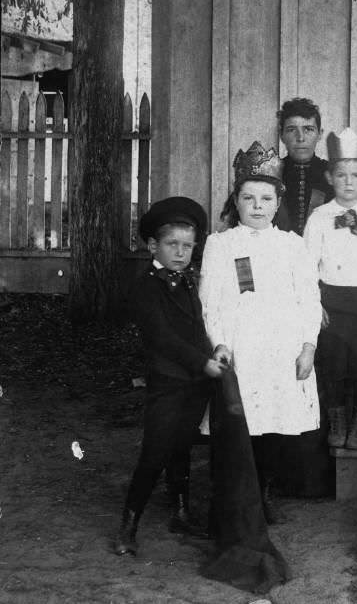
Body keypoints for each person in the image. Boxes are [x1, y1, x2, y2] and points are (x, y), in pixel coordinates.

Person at [199, 141, 323, 523]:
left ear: (277, 201)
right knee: (242, 422)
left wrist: (307, 346)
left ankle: (263, 492)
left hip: (281, 348)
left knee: (274, 422)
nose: (257, 206)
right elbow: (210, 301)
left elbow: (308, 298)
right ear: (235, 200)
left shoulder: (292, 245)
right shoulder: (220, 245)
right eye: (248, 198)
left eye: (265, 198)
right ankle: (239, 496)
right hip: (241, 346)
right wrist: (219, 342)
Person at [115, 197, 225, 556]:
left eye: (187, 246)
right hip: (168, 379)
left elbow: (198, 327)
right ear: (153, 246)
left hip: (196, 381)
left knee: (182, 445)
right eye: (172, 245)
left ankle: (180, 511)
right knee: (156, 450)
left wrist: (215, 349)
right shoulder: (145, 285)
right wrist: (202, 362)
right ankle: (129, 525)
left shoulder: (190, 281)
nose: (180, 253)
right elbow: (162, 337)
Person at [304, 128, 357, 451]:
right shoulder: (319, 218)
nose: (349, 182)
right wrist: (316, 305)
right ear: (330, 177)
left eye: (356, 175)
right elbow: (307, 267)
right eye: (341, 175)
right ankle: (337, 420)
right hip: (331, 299)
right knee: (334, 363)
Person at [274, 97, 332, 235]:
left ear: (320, 134)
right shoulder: (270, 173)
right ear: (281, 135)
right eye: (291, 129)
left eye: (308, 129)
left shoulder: (335, 174)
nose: (300, 138)